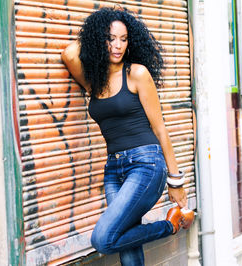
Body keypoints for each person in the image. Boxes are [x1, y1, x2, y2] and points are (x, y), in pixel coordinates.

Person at [61, 7, 194, 266]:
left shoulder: (137, 74)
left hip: (146, 165)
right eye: (111, 38)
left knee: (103, 238)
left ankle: (169, 225)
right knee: (127, 246)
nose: (118, 46)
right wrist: (95, 33)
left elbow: (160, 129)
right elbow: (69, 53)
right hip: (114, 169)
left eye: (124, 39)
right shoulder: (94, 81)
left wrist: (176, 181)